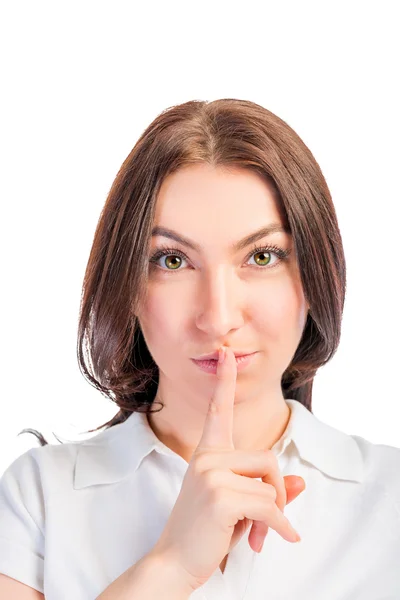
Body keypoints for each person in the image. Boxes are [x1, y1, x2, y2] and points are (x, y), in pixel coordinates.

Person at [1, 98, 399, 599]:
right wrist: (170, 567)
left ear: (318, 275)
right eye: (172, 260)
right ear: (126, 283)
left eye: (262, 255)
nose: (219, 316)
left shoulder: (392, 500)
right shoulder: (37, 499)